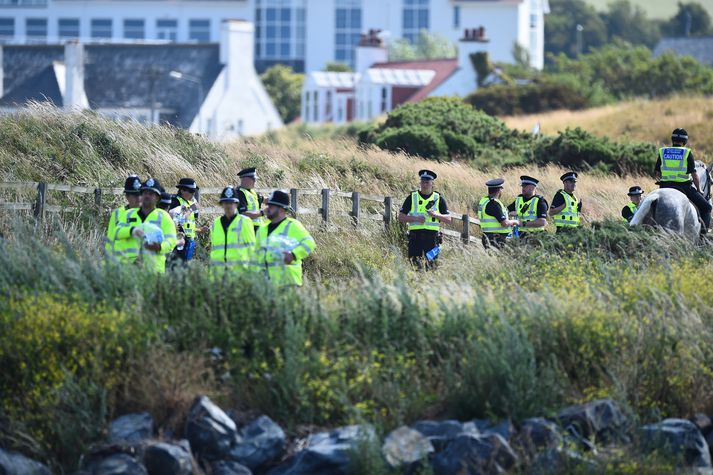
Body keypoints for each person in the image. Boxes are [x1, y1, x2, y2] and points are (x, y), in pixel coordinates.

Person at [655, 128, 711, 232]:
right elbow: (694, 175)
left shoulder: (663, 151)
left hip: (664, 186)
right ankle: (703, 238)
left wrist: (663, 181)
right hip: (684, 187)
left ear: (672, 139)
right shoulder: (686, 152)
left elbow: (657, 173)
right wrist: (699, 189)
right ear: (684, 141)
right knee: (707, 208)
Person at [116, 178, 178, 273]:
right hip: (129, 269)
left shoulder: (164, 217)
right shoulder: (128, 214)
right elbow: (117, 232)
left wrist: (160, 247)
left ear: (157, 198)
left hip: (154, 271)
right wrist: (132, 230)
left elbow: (171, 241)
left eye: (151, 194)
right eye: (145, 193)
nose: (147, 196)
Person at [254, 190, 316, 287]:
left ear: (282, 209)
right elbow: (256, 256)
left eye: (272, 206)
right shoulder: (262, 229)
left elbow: (309, 243)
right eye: (268, 205)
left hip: (288, 283)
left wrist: (293, 255)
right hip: (266, 285)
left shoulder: (293, 225)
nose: (268, 209)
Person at [397, 169, 452, 269]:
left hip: (432, 238)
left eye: (427, 182)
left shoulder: (438, 198)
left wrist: (436, 215)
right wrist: (415, 218)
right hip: (415, 238)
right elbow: (400, 217)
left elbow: (448, 219)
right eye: (422, 182)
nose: (424, 184)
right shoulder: (412, 197)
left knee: (431, 267)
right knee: (414, 267)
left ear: (432, 183)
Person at [210, 186, 256, 271]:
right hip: (219, 273)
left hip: (239, 273)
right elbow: (214, 250)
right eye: (226, 202)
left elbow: (251, 248)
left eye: (231, 203)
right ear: (222, 204)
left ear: (236, 204)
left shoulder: (245, 222)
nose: (228, 205)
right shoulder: (215, 223)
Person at [105, 175, 142, 262]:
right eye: (134, 195)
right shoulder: (117, 213)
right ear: (127, 196)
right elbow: (110, 238)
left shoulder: (148, 213)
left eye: (139, 194)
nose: (138, 198)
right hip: (120, 262)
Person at [477, 178, 519, 249]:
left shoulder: (484, 201)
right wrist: (515, 222)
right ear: (499, 191)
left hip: (487, 236)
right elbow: (504, 223)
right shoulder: (494, 204)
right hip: (496, 239)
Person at [170, 178, 201, 261]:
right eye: (191, 191)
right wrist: (191, 209)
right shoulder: (175, 201)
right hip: (179, 239)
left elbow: (189, 225)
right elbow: (177, 219)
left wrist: (199, 230)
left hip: (189, 240)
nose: (193, 194)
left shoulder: (190, 203)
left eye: (193, 192)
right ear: (182, 190)